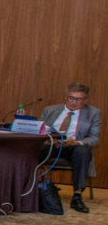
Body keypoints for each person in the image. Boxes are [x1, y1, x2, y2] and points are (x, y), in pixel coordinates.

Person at [41, 83, 100, 213]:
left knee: (82, 151)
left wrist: (77, 142)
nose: (73, 102)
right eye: (70, 98)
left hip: (74, 147)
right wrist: (48, 140)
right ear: (65, 97)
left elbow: (95, 139)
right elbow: (39, 132)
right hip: (51, 145)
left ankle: (77, 198)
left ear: (85, 100)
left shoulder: (93, 113)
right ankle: (31, 190)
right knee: (32, 150)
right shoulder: (50, 110)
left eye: (78, 99)